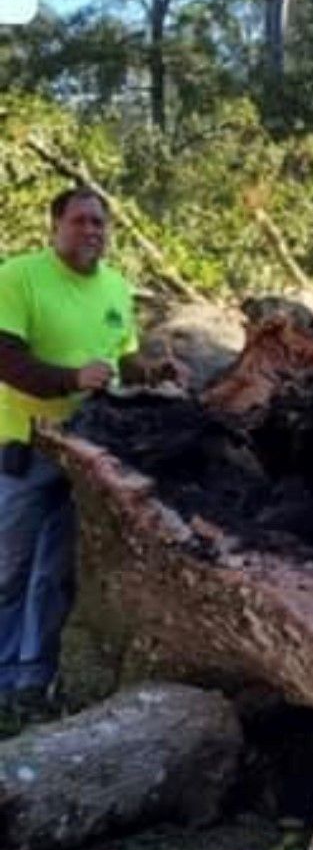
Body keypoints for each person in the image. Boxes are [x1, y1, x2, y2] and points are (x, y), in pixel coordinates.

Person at [0, 186, 182, 736]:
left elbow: (119, 359)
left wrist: (153, 370)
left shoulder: (115, 287)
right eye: (80, 222)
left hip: (86, 456)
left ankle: (29, 683)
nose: (92, 232)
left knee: (54, 573)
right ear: (55, 225)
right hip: (22, 448)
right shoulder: (19, 276)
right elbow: (5, 357)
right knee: (8, 569)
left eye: (100, 224)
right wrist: (70, 379)